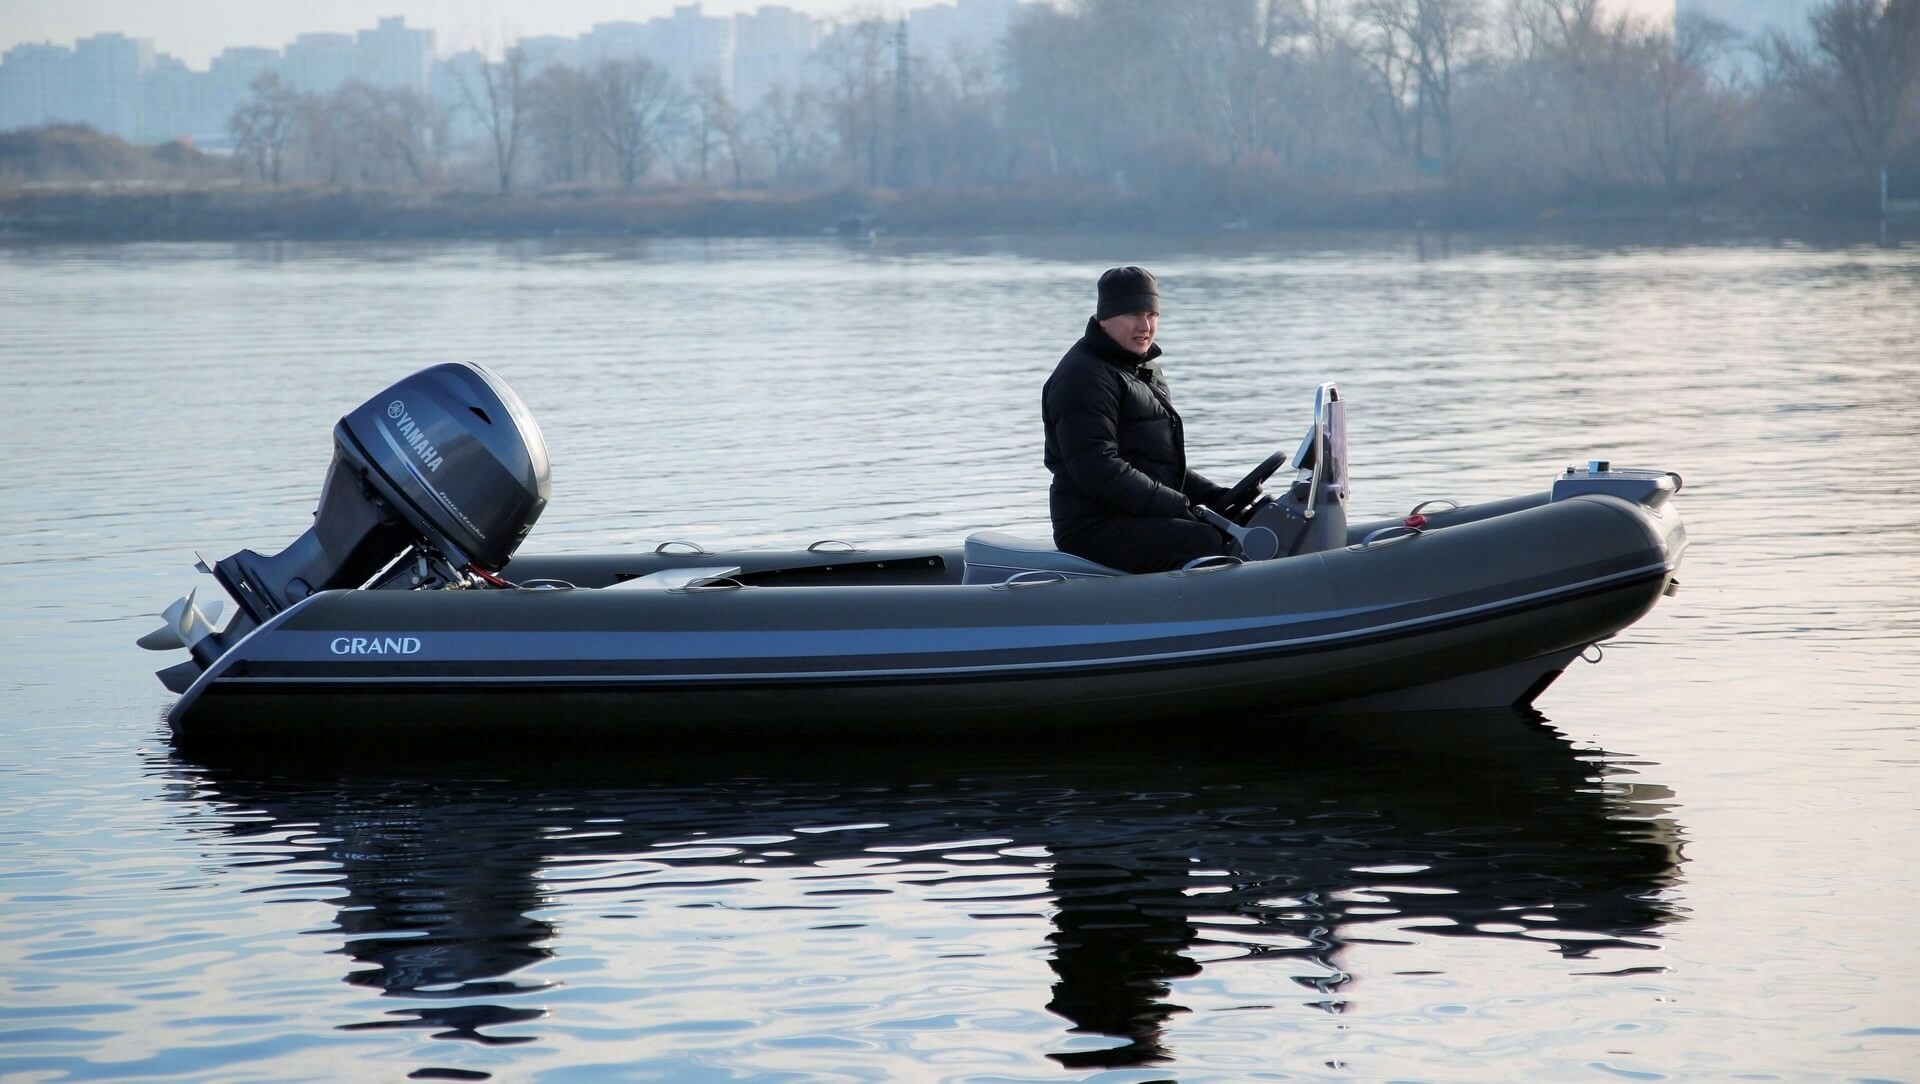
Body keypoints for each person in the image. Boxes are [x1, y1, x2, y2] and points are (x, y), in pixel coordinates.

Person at [1042, 266, 1233, 573]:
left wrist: (1216, 496)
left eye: (1152, 314)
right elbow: (1097, 468)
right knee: (1206, 540)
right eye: (1133, 314)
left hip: (1136, 514)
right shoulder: (1083, 377)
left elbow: (1153, 462)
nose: (1145, 326)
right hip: (1092, 526)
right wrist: (1177, 504)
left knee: (1236, 517)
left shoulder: (1142, 369)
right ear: (1104, 317)